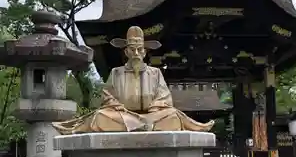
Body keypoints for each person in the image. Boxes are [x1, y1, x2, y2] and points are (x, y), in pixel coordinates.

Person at [52, 26, 215, 134]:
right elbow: (107, 95)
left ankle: (147, 125)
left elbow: (164, 97)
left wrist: (155, 106)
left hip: (153, 116)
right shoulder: (117, 72)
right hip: (123, 116)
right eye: (132, 50)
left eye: (139, 50)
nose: (136, 53)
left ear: (145, 53)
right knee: (100, 116)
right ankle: (75, 128)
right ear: (127, 52)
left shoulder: (155, 72)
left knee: (172, 115)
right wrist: (116, 105)